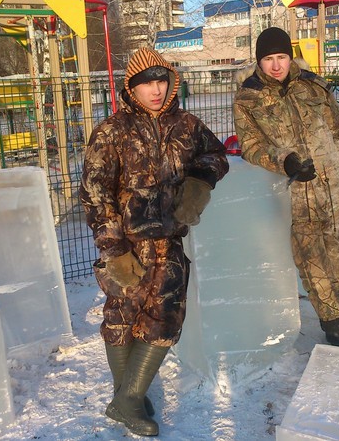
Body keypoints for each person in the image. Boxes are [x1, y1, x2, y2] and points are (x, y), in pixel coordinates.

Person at [79, 46, 229, 436]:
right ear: (132, 87)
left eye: (162, 80)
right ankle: (127, 397)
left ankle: (128, 398)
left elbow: (216, 154)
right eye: (147, 83)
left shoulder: (188, 125)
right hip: (127, 244)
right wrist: (114, 248)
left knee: (165, 320)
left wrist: (199, 181)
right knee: (122, 319)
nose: (156, 89)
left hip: (170, 241)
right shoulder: (112, 131)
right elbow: (95, 192)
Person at [233, 27, 339, 378]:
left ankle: (337, 332)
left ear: (290, 56)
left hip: (333, 190)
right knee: (314, 270)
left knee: (337, 268)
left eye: (281, 57)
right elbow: (251, 147)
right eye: (268, 59)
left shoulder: (315, 87)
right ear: (259, 61)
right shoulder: (248, 98)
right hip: (297, 197)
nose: (276, 65)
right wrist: (285, 161)